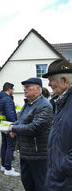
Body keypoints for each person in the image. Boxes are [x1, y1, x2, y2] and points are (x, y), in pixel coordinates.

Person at [8, 77, 53, 191]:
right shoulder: (29, 103)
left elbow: (34, 128)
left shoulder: (44, 106)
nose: (25, 89)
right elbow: (21, 120)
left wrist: (15, 128)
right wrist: (14, 126)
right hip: (26, 152)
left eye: (28, 87)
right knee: (27, 183)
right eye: (24, 87)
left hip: (38, 155)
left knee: (40, 186)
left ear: (38, 89)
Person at [42, 59, 72, 190]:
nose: (49, 84)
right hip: (58, 177)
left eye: (51, 80)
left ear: (64, 80)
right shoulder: (61, 102)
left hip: (66, 179)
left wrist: (63, 166)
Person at [0, 82, 20, 177]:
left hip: (3, 124)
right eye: (12, 89)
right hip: (9, 125)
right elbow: (10, 115)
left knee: (4, 145)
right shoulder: (8, 99)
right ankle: (8, 168)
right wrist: (14, 127)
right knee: (10, 146)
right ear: (9, 89)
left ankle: (3, 165)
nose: (13, 91)